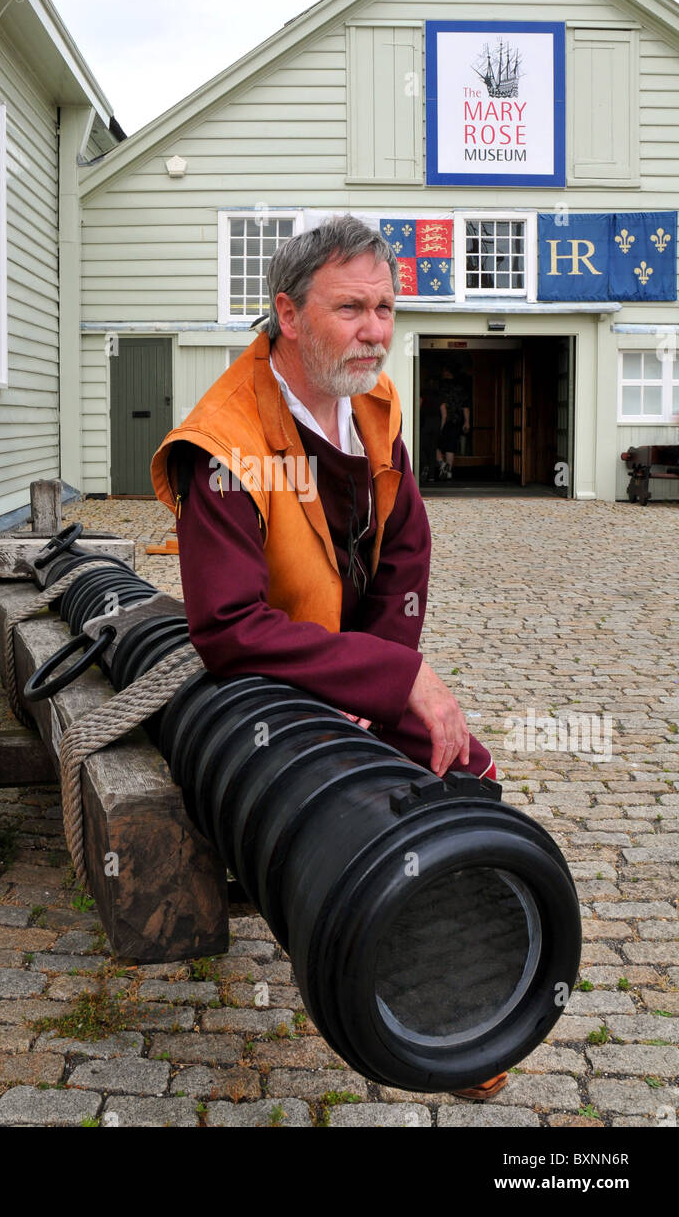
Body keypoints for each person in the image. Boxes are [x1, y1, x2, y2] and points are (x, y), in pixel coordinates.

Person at [151, 214, 507, 1100]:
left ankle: (463, 996)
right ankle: (383, 986)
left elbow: (405, 551)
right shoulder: (226, 444)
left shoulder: (374, 409)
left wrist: (380, 683)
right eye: (351, 309)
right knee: (338, 816)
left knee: (458, 766)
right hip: (258, 682)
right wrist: (387, 680)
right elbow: (228, 627)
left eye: (385, 308)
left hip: (342, 665)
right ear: (289, 313)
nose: (376, 331)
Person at [436, 364, 470, 481]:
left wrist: (441, 424)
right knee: (451, 446)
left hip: (443, 420)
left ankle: (442, 465)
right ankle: (449, 471)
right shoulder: (460, 387)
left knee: (436, 445)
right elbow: (465, 406)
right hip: (456, 420)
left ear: (447, 372)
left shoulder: (442, 387)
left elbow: (442, 406)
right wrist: (466, 422)